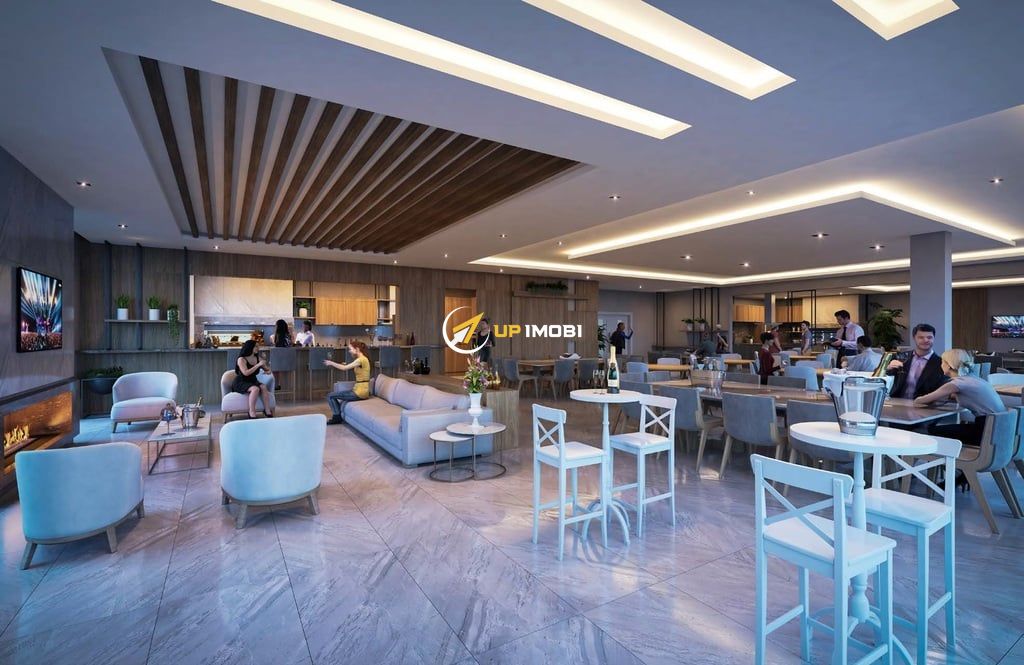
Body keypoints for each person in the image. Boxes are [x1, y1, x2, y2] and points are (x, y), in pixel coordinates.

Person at [915, 349, 1005, 445]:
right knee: (941, 429)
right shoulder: (974, 379)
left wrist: (916, 398)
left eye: (942, 362)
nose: (940, 365)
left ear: (948, 366)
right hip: (998, 429)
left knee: (927, 431)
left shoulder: (957, 383)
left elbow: (922, 400)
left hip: (984, 431)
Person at [887, 323, 946, 399]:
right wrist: (887, 368)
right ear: (914, 338)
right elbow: (880, 377)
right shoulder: (900, 357)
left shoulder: (941, 363)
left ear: (934, 338)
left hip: (924, 404)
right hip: (896, 402)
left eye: (929, 337)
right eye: (921, 337)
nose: (926, 340)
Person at [323, 340, 371, 424]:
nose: (349, 351)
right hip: (360, 390)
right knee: (332, 395)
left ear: (357, 349)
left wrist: (331, 363)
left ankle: (337, 417)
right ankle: (338, 415)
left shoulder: (361, 360)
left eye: (350, 349)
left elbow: (344, 368)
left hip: (360, 392)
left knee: (330, 396)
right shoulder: (362, 359)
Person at [230, 339, 274, 418]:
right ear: (250, 347)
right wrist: (258, 365)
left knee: (263, 387)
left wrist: (268, 370)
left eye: (258, 346)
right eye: (256, 346)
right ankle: (252, 411)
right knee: (255, 389)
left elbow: (267, 369)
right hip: (241, 381)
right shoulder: (241, 359)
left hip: (253, 380)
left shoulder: (258, 358)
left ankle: (267, 410)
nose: (258, 348)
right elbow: (246, 373)